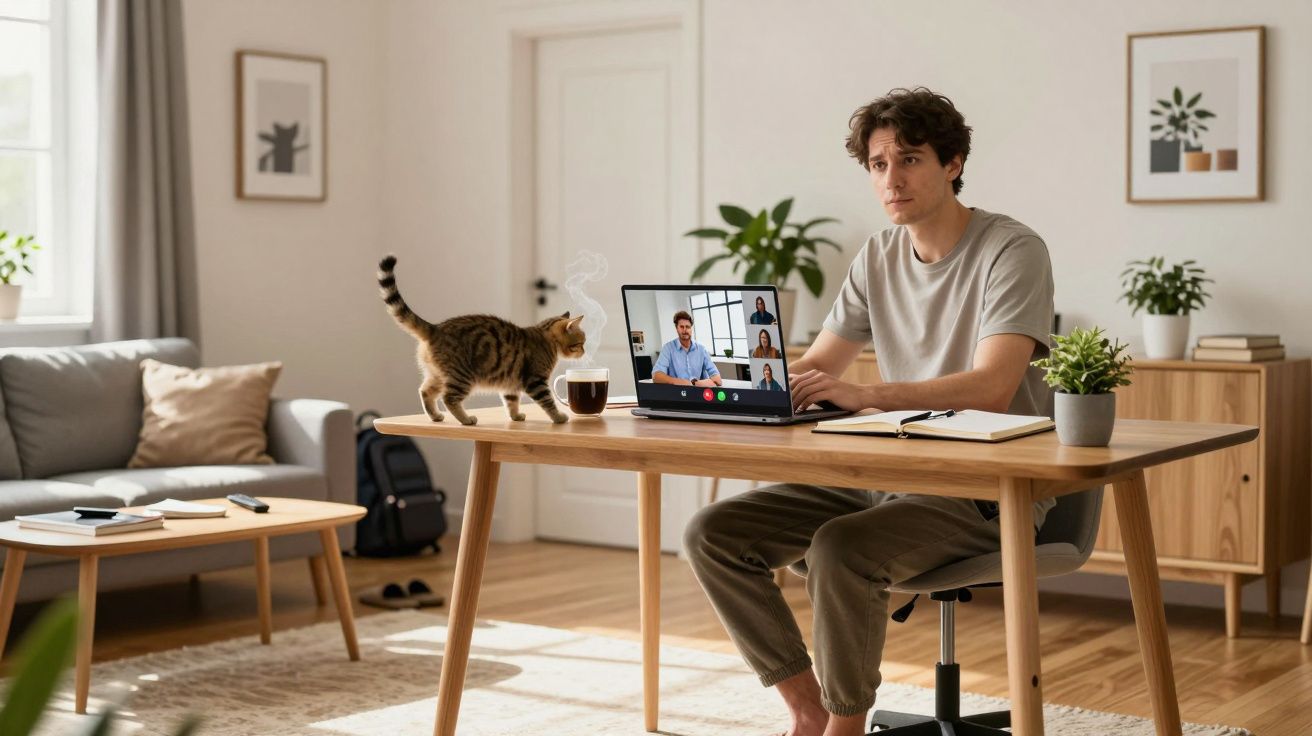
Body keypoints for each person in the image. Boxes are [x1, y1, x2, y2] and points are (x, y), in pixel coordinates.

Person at [683, 87, 1056, 736]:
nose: (892, 180)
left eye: (909, 159)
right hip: (885, 474)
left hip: (986, 489)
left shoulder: (1012, 249)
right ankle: (808, 710)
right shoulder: (879, 254)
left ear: (953, 164)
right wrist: (731, 382)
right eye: (879, 165)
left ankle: (846, 727)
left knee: (840, 547)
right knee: (712, 534)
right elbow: (820, 365)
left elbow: (994, 387)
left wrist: (866, 394)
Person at [651, 310, 722, 387]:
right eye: (681, 327)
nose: (685, 330)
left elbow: (718, 379)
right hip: (676, 392)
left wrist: (695, 383)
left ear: (691, 329)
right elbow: (656, 376)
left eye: (687, 327)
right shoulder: (668, 348)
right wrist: (684, 382)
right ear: (676, 328)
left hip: (697, 392)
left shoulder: (702, 349)